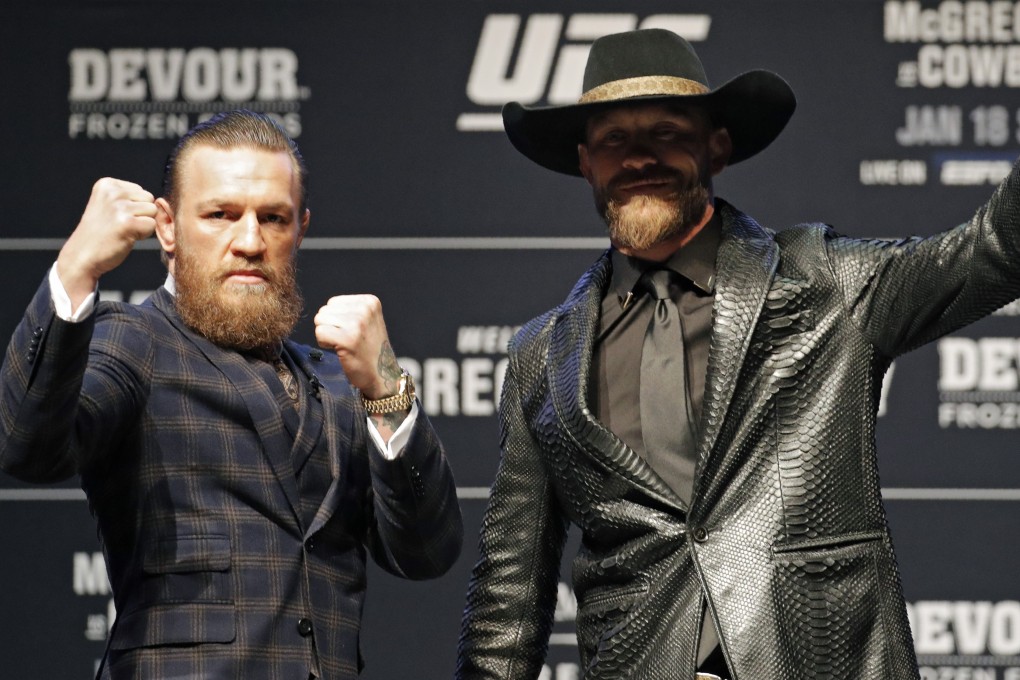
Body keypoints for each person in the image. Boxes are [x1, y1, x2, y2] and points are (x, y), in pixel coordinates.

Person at [455, 28, 1020, 680]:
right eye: (615, 139)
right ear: (586, 162)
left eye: (665, 131)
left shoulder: (826, 285)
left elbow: (994, 252)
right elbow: (509, 602)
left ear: (716, 146)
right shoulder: (541, 356)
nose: (639, 158)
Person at [0, 110, 462, 679]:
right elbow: (28, 446)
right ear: (167, 227)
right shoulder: (134, 341)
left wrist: (388, 386)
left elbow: (425, 552)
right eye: (221, 214)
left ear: (301, 230)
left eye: (273, 218)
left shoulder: (341, 381)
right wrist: (75, 269)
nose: (250, 241)